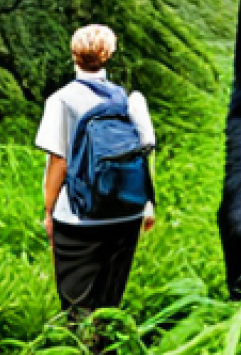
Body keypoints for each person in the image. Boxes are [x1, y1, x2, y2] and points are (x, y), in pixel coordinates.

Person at [35, 24, 155, 319]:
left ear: (73, 55)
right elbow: (144, 151)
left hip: (78, 217)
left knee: (77, 303)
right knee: (109, 303)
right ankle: (106, 346)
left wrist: (49, 212)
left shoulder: (61, 100)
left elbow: (58, 161)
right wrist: (148, 204)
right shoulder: (128, 100)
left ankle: (80, 347)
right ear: (109, 55)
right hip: (127, 212)